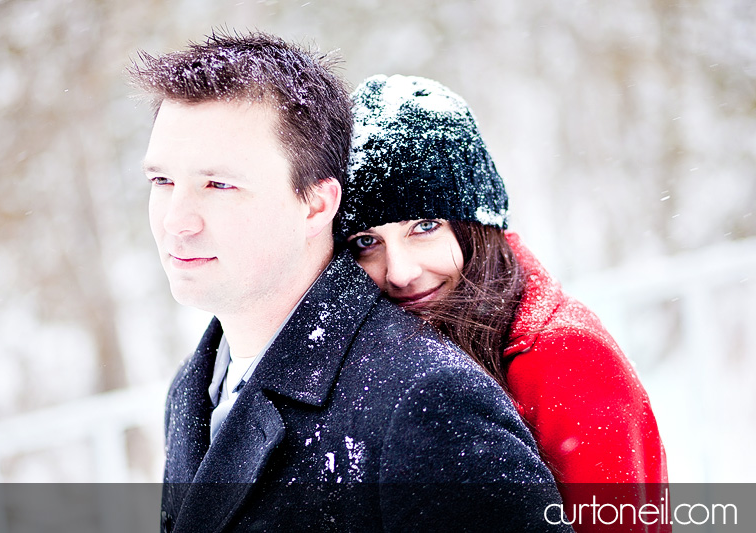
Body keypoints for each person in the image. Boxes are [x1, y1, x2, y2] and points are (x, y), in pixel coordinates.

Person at [129, 31, 570, 532]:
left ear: (316, 204)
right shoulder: (193, 387)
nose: (176, 221)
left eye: (219, 184)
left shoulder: (423, 401)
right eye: (162, 181)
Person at [340, 74, 669, 532]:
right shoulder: (370, 348)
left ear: (476, 224)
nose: (399, 271)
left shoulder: (564, 355)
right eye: (366, 240)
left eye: (425, 226)